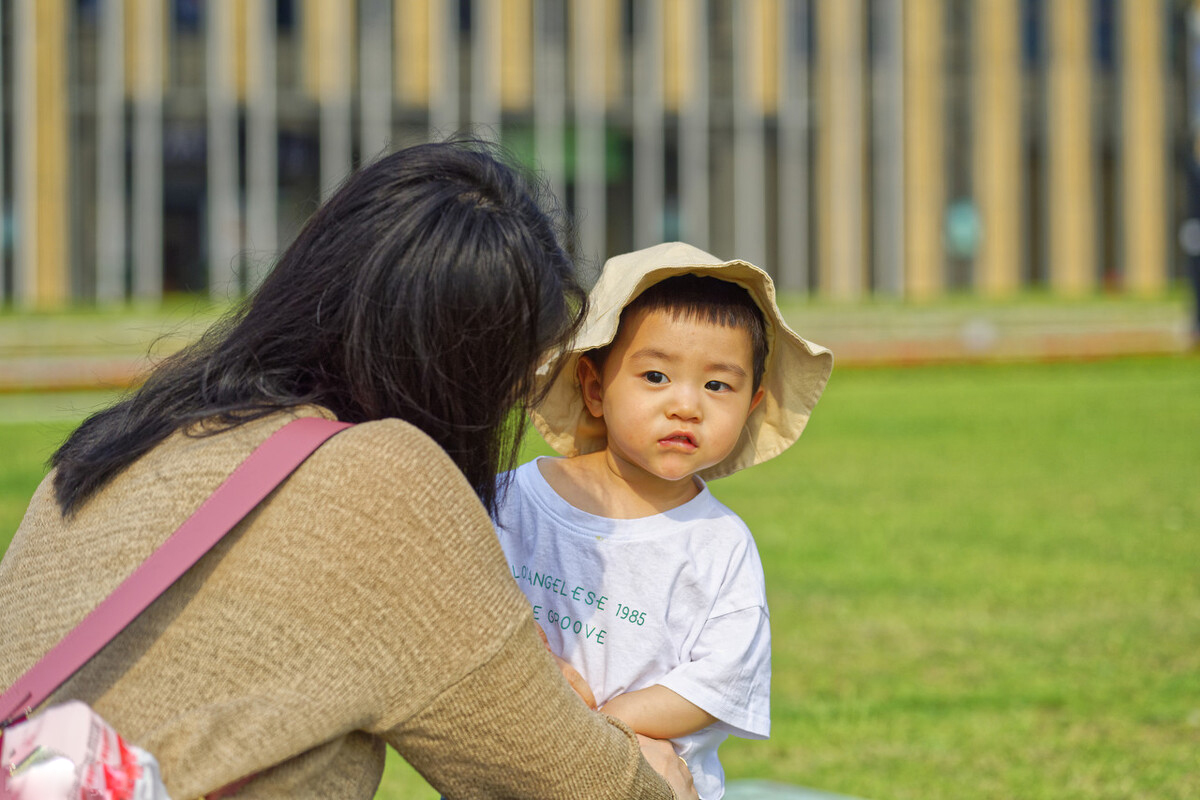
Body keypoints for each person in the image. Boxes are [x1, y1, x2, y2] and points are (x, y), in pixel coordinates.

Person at [0, 142, 694, 800]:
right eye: (518, 375)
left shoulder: (115, 445)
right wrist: (653, 766)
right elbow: (574, 782)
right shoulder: (383, 480)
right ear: (467, 372)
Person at [492, 242, 834, 799]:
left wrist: (604, 729)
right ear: (595, 387)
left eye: (717, 385)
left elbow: (720, 681)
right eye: (655, 376)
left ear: (751, 405)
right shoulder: (513, 503)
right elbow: (467, 610)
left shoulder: (719, 545)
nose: (686, 405)